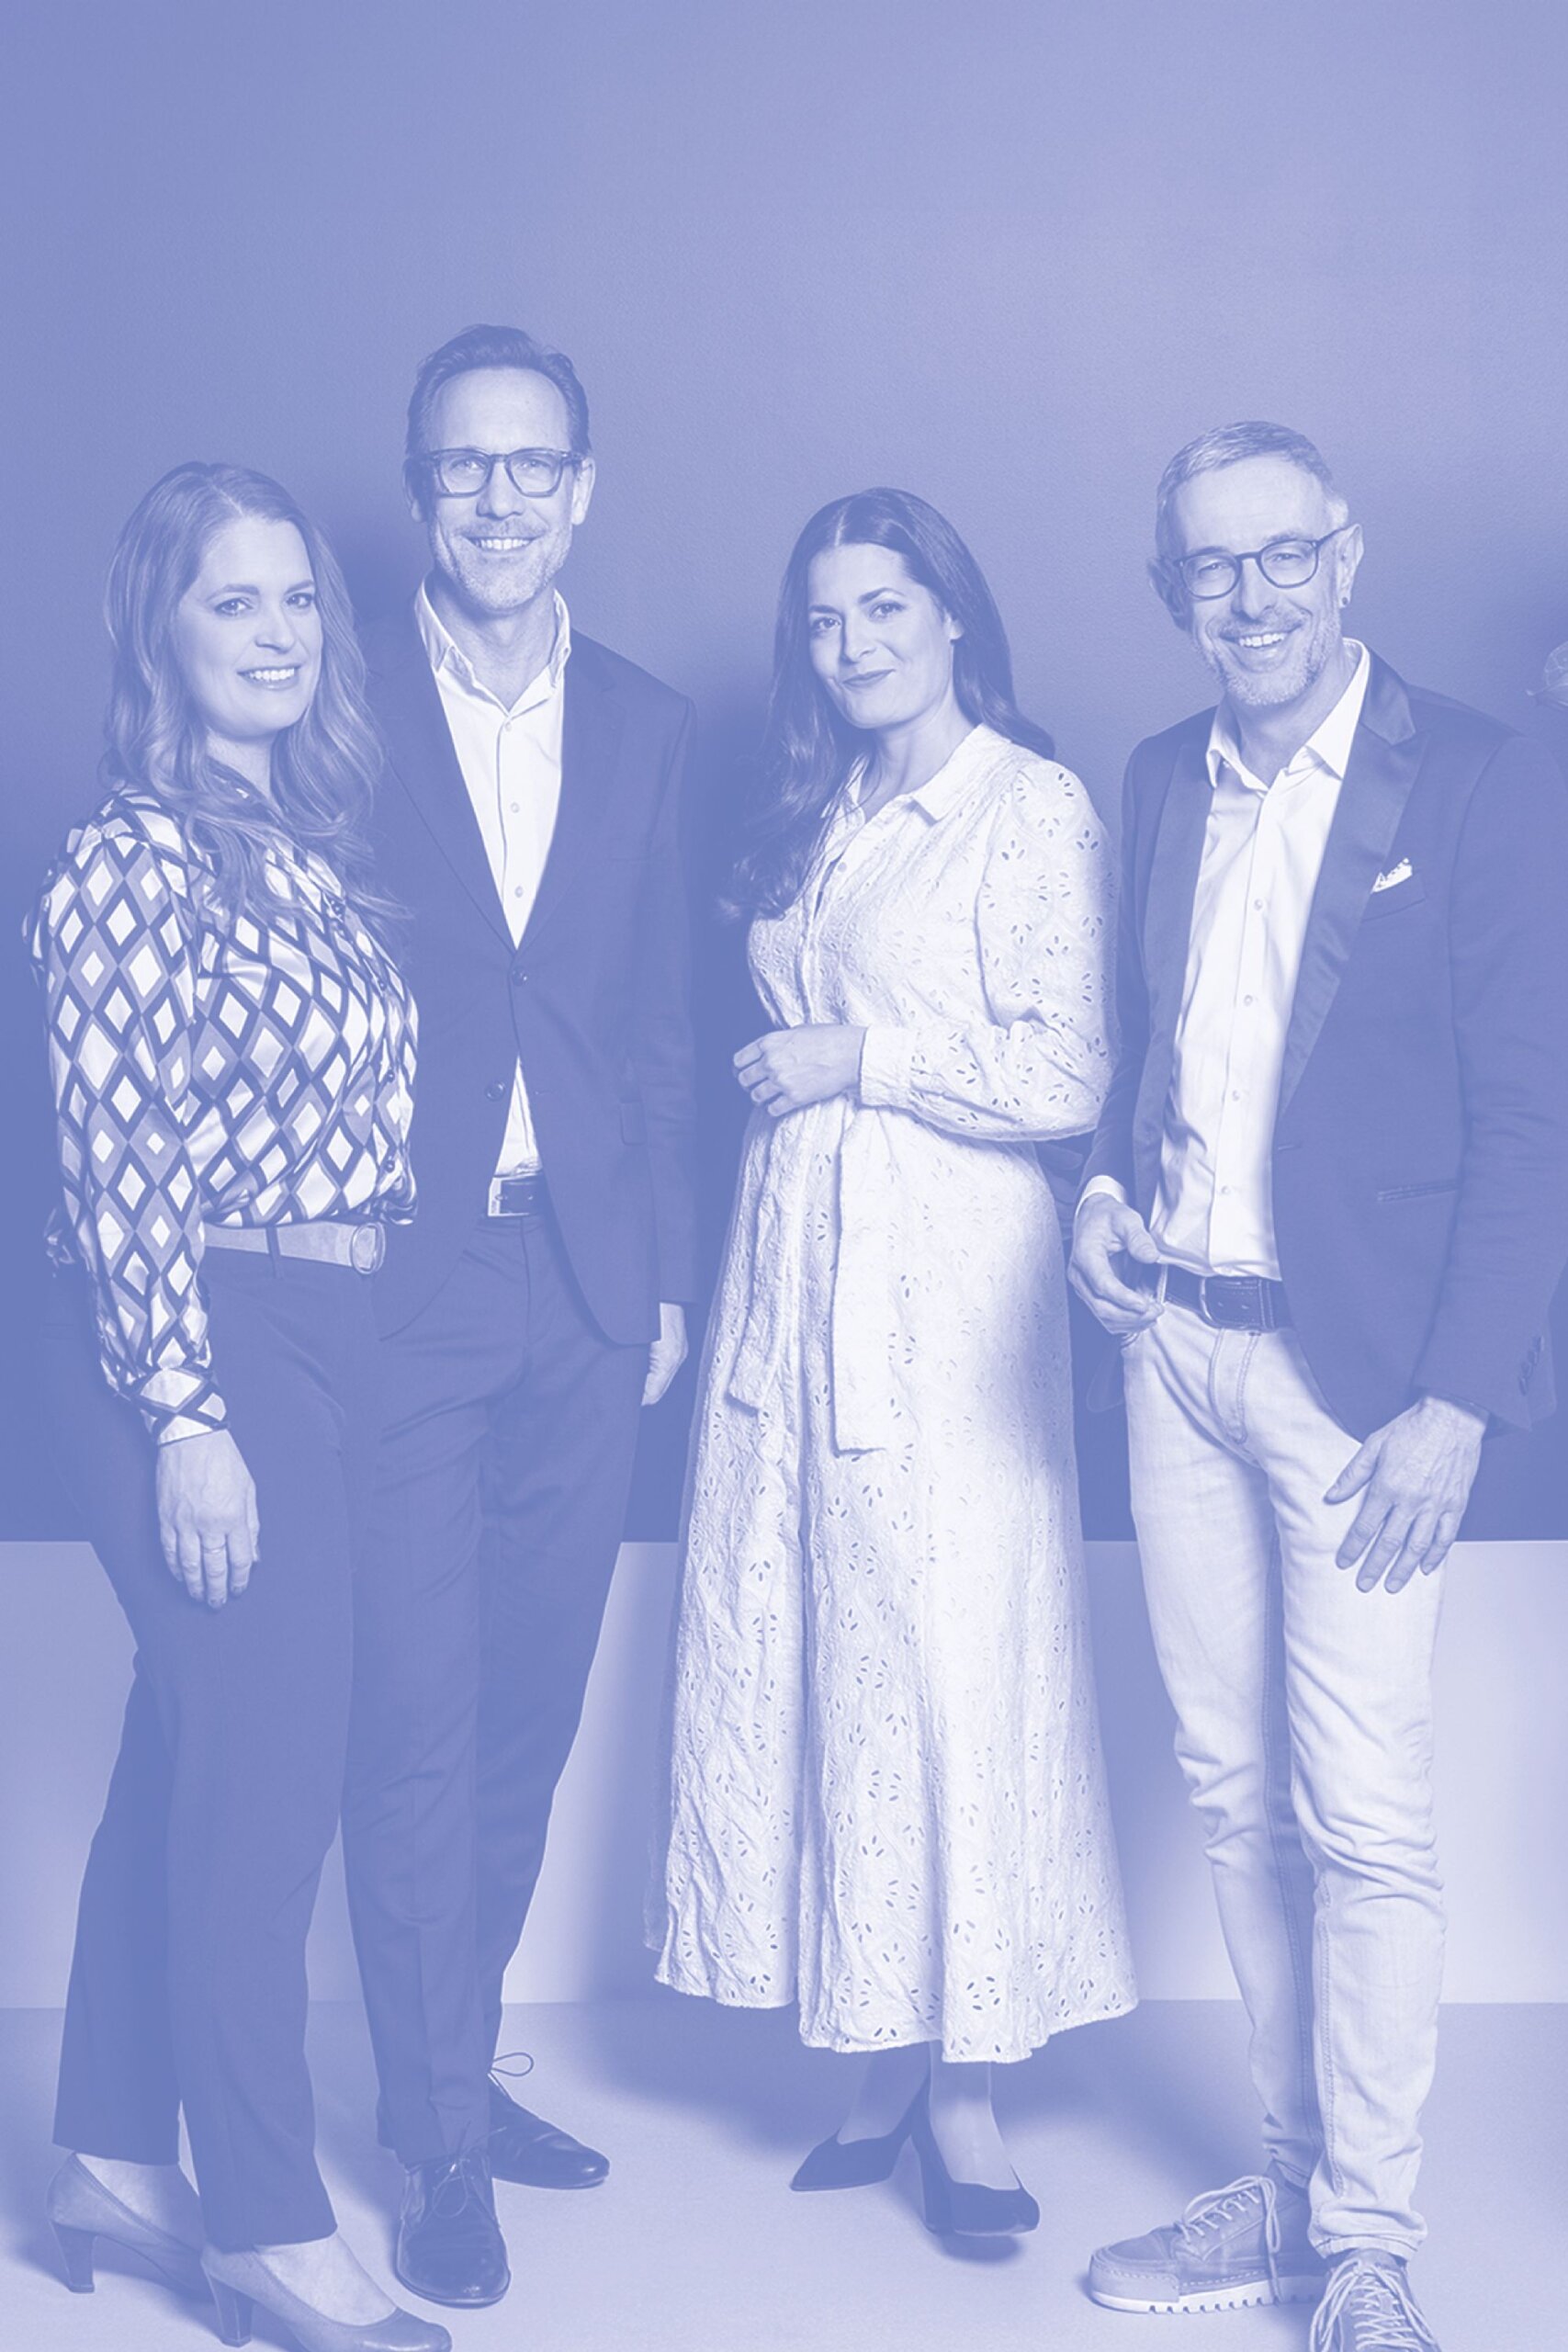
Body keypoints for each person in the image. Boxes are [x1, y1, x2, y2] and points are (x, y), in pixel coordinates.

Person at [1071, 422, 1568, 2349]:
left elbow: (1532, 1118)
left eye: (1285, 554)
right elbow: (1150, 1053)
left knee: (1361, 1814)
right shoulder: (1155, 779)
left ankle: (1365, 2242)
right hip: (1174, 1352)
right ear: (1170, 592)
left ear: (1345, 558)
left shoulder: (1482, 776)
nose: (1252, 595)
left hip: (1363, 1388)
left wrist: (1461, 1398)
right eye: (1211, 566)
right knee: (1231, 1797)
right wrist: (1104, 1198)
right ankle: (1285, 2192)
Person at [652, 487, 1136, 2236]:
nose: (852, 643)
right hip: (798, 1271)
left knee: (954, 1656)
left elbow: (1068, 1072)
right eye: (824, 619)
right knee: (829, 1647)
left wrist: (863, 1055)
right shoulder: (826, 802)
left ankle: (972, 2091)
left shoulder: (1028, 804)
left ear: (952, 614)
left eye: (882, 607)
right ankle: (877, 2049)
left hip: (945, 1291)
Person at [32, 464, 447, 2352]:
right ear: (163, 632)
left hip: (322, 1320)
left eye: (297, 600)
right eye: (233, 602)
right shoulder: (131, 860)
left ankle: (113, 2155)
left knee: (194, 1750)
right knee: (268, 1788)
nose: (278, 633)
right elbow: (118, 1165)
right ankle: (269, 2228)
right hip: (206, 1330)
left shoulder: (297, 847)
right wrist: (187, 1414)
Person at [340, 325, 698, 2308]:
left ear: (582, 491)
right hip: (398, 1283)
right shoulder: (332, 698)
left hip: (581, 1287)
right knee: (415, 1715)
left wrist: (657, 1275)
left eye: (531, 464)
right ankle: (435, 2142)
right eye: (463, 464)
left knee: (526, 1715)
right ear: (422, 489)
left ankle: (453, 2063)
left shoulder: (645, 723)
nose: (498, 497)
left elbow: (653, 1027)